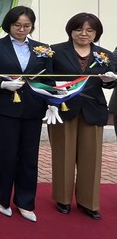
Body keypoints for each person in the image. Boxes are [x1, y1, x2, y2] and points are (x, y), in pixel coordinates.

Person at [0, 6, 53, 222]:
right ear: (9, 24)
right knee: (7, 154)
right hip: (6, 108)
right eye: (17, 25)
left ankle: (25, 202)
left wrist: (53, 102)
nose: (22, 30)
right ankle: (2, 199)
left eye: (26, 26)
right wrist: (2, 84)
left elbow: (49, 78)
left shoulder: (42, 48)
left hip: (34, 108)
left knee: (29, 157)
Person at [44, 13, 116, 220]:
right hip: (63, 108)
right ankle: (63, 199)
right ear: (71, 31)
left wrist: (110, 80)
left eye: (90, 30)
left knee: (91, 158)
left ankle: (89, 202)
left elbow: (110, 82)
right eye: (79, 29)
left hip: (93, 109)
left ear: (96, 33)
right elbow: (46, 78)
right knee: (63, 155)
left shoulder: (104, 54)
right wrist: (52, 97)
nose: (84, 34)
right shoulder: (55, 51)